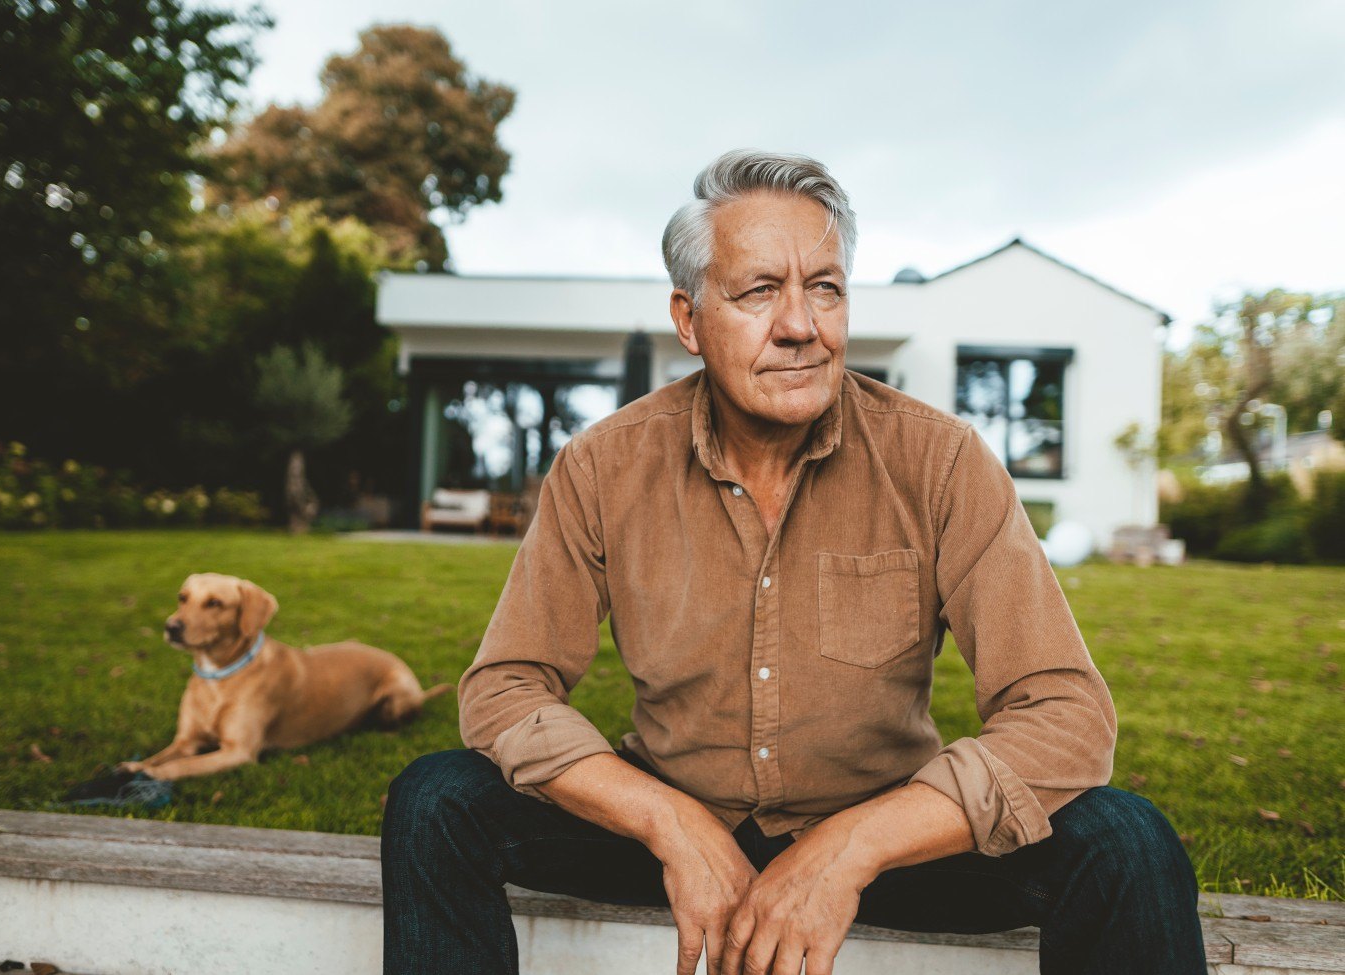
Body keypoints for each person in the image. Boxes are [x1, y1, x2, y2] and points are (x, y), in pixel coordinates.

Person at [381, 150, 1204, 975]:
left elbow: (1066, 712)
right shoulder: (604, 465)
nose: (801, 324)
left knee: (1126, 838)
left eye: (825, 287)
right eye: (758, 290)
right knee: (436, 798)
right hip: (676, 833)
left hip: (889, 841)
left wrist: (852, 846)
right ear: (689, 317)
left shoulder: (941, 460)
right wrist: (670, 823)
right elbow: (503, 688)